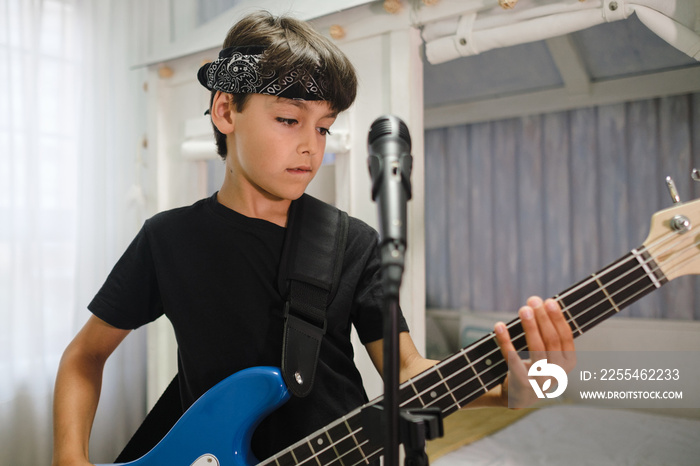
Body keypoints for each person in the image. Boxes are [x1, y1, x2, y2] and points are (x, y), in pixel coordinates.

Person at [51, 10, 575, 466]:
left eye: (323, 127)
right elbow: (84, 356)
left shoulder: (352, 242)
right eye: (288, 119)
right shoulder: (167, 239)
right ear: (226, 111)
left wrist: (510, 390)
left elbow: (408, 369)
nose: (310, 146)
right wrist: (70, 456)